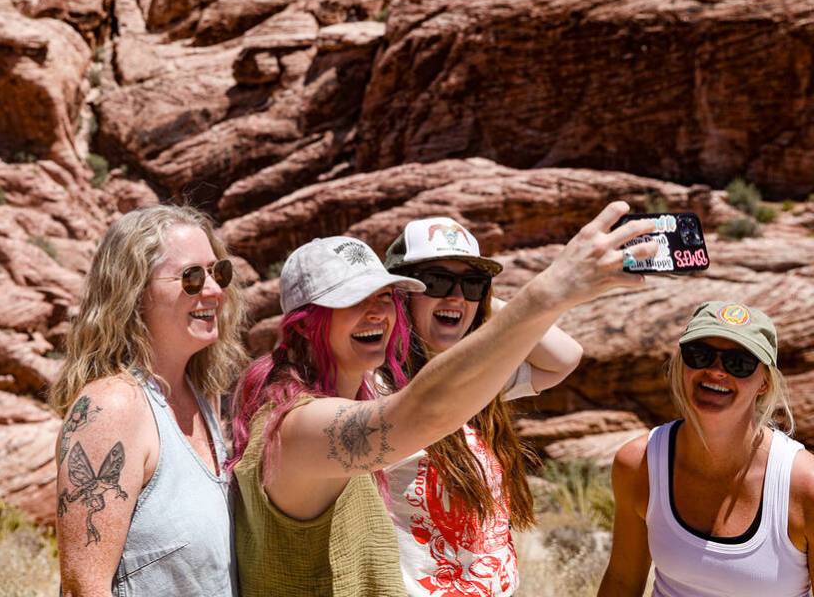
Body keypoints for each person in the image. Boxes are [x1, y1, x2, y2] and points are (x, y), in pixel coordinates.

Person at [229, 202, 659, 597]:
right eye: (353, 300)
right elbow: (422, 412)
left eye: (383, 296)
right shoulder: (295, 427)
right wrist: (547, 293)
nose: (377, 312)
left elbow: (561, 359)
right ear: (305, 325)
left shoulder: (352, 395)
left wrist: (482, 298)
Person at [380, 217, 584, 596]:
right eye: (436, 281)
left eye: (471, 283)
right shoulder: (376, 388)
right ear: (401, 292)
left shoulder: (476, 383)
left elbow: (565, 357)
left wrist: (486, 303)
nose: (455, 297)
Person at [50, 204, 247, 597]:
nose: (212, 289)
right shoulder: (112, 408)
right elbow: (82, 588)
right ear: (134, 292)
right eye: (190, 277)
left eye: (217, 272)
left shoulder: (201, 397)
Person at [598, 301, 814, 597]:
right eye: (700, 355)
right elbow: (622, 582)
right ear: (682, 363)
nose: (715, 372)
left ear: (764, 382)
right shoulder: (640, 463)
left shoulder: (804, 484)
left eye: (739, 362)